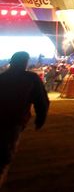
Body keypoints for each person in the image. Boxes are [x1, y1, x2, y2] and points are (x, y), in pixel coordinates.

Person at [0, 52, 50, 188]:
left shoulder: (2, 77)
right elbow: (42, 101)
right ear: (25, 62)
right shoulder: (31, 78)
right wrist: (41, 118)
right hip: (15, 120)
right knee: (6, 154)